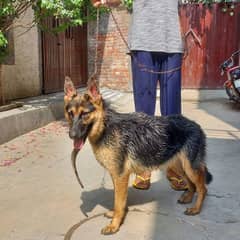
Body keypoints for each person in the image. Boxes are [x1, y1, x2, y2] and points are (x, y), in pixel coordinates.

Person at [91, 0, 188, 191]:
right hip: (143, 43)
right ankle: (144, 168)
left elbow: (184, 8)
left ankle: (174, 167)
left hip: (172, 45)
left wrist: (184, 37)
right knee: (144, 113)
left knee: (173, 113)